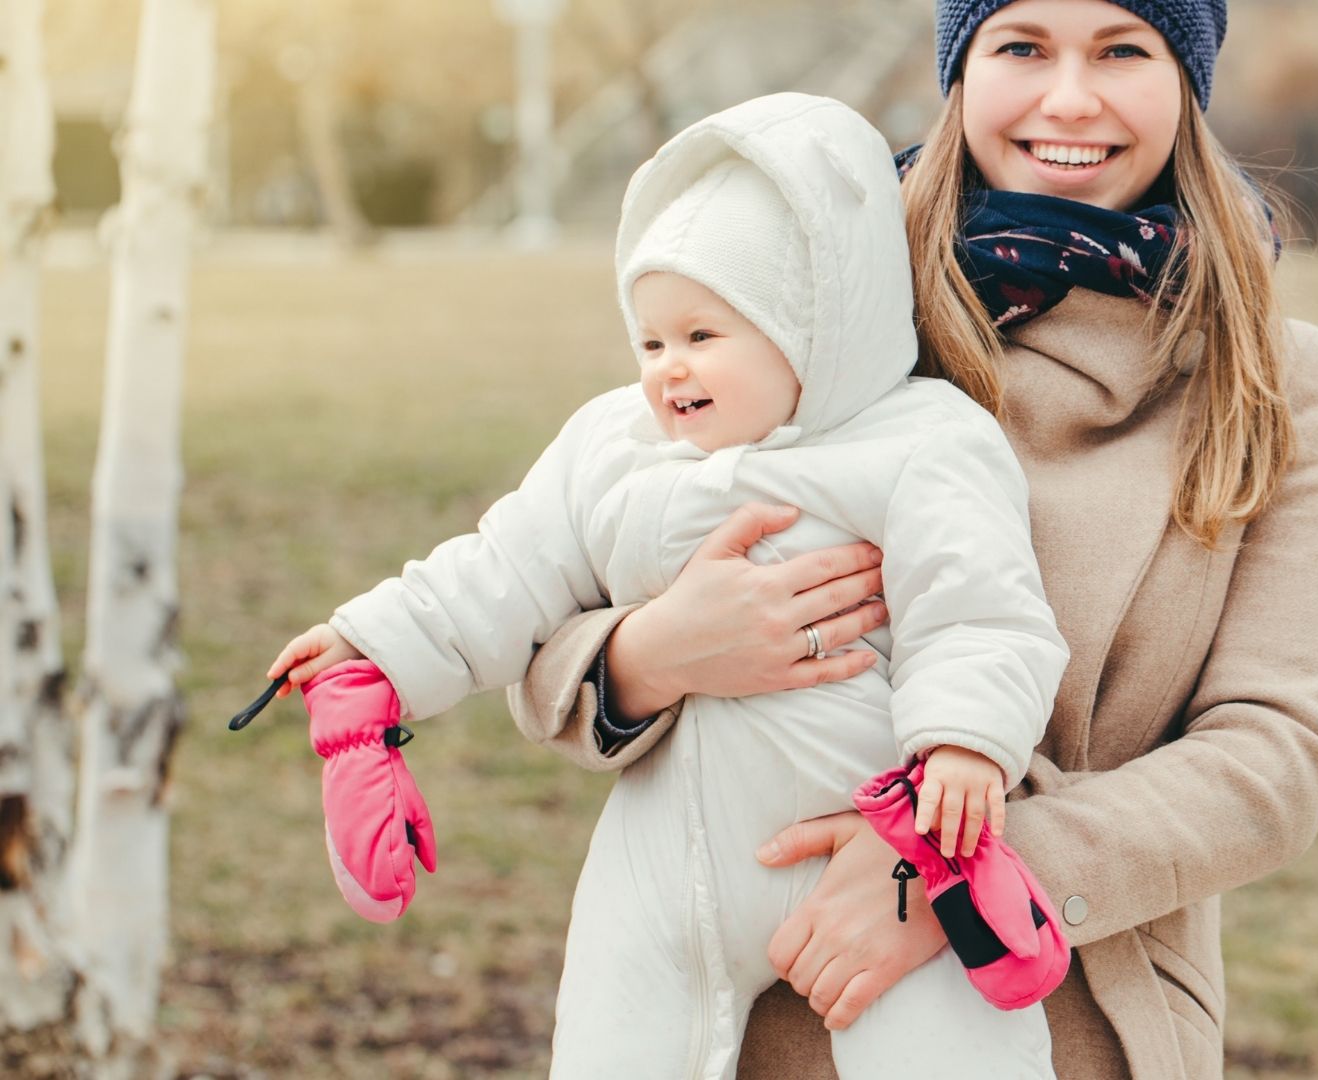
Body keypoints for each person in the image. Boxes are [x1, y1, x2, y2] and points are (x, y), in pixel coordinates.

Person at [511, 0, 1318, 1076]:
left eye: (1121, 50)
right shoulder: (824, 297)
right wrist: (651, 653)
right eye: (1021, 47)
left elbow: (1274, 757)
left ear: (1186, 80)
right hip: (767, 1005)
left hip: (1068, 992)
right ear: (961, 70)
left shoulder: (1283, 380)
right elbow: (552, 585)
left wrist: (955, 878)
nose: (1070, 98)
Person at [266, 93, 1070, 1078]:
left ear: (816, 328)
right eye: (650, 340)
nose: (666, 371)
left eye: (703, 335)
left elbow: (979, 602)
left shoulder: (920, 442)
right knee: (615, 1034)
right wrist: (371, 651)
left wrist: (963, 744)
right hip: (665, 866)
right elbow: (502, 567)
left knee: (947, 1047)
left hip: (874, 846)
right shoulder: (612, 448)